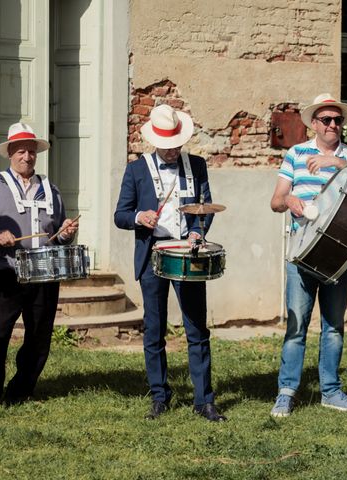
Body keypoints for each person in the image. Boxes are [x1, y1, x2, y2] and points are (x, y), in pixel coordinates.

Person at [114, 104, 226, 422]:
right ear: (155, 141)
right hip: (153, 254)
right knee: (154, 329)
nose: (172, 150)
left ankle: (204, 401)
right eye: (167, 145)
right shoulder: (136, 170)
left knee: (196, 329)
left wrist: (196, 234)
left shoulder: (198, 165)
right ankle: (159, 396)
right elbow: (120, 214)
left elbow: (204, 209)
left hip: (187, 255)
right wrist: (140, 217)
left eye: (177, 143)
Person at [269, 93, 347, 416]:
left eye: (337, 120)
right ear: (313, 123)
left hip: (338, 253)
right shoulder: (295, 154)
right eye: (326, 120)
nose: (332, 125)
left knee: (333, 326)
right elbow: (276, 200)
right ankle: (287, 391)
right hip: (300, 253)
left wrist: (341, 164)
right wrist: (289, 201)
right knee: (296, 326)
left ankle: (331, 391)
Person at [0, 122, 78, 417]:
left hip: (45, 272)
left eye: (31, 151)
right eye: (21, 151)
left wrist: (66, 232)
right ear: (10, 153)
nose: (27, 157)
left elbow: (58, 235)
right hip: (8, 272)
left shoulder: (51, 189)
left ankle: (21, 390)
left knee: (39, 336)